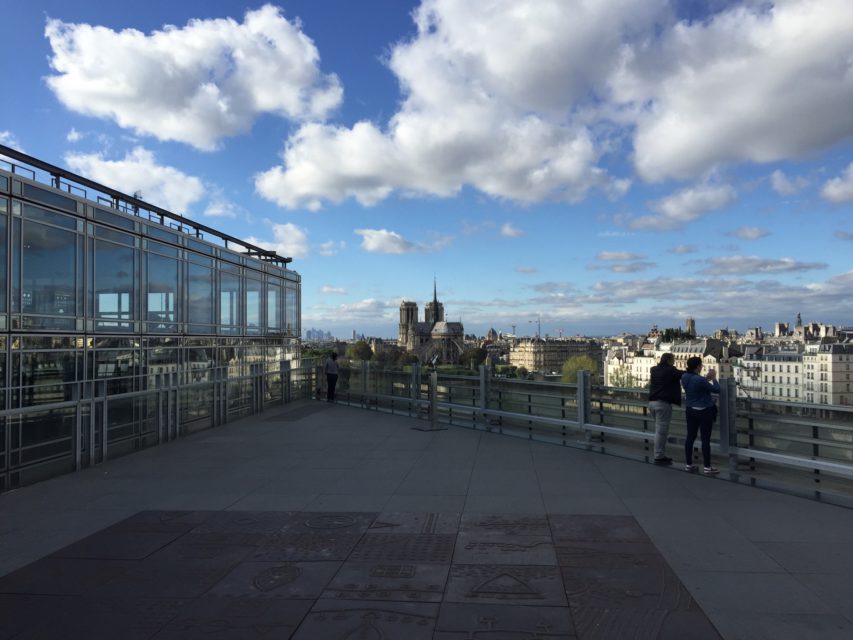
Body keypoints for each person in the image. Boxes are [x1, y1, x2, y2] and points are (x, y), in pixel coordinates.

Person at [681, 356, 720, 475]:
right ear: (698, 366)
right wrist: (713, 378)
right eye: (701, 365)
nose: (702, 366)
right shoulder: (700, 379)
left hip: (690, 409)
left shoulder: (684, 377)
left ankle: (688, 464)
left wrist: (705, 379)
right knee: (705, 439)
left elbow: (697, 384)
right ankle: (707, 467)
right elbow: (716, 390)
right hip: (704, 411)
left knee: (690, 437)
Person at [647, 352, 684, 465]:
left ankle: (659, 454)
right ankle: (659, 456)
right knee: (661, 432)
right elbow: (684, 374)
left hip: (652, 402)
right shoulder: (670, 371)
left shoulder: (653, 369)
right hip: (663, 404)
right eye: (673, 360)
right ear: (668, 361)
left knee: (658, 430)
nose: (674, 362)